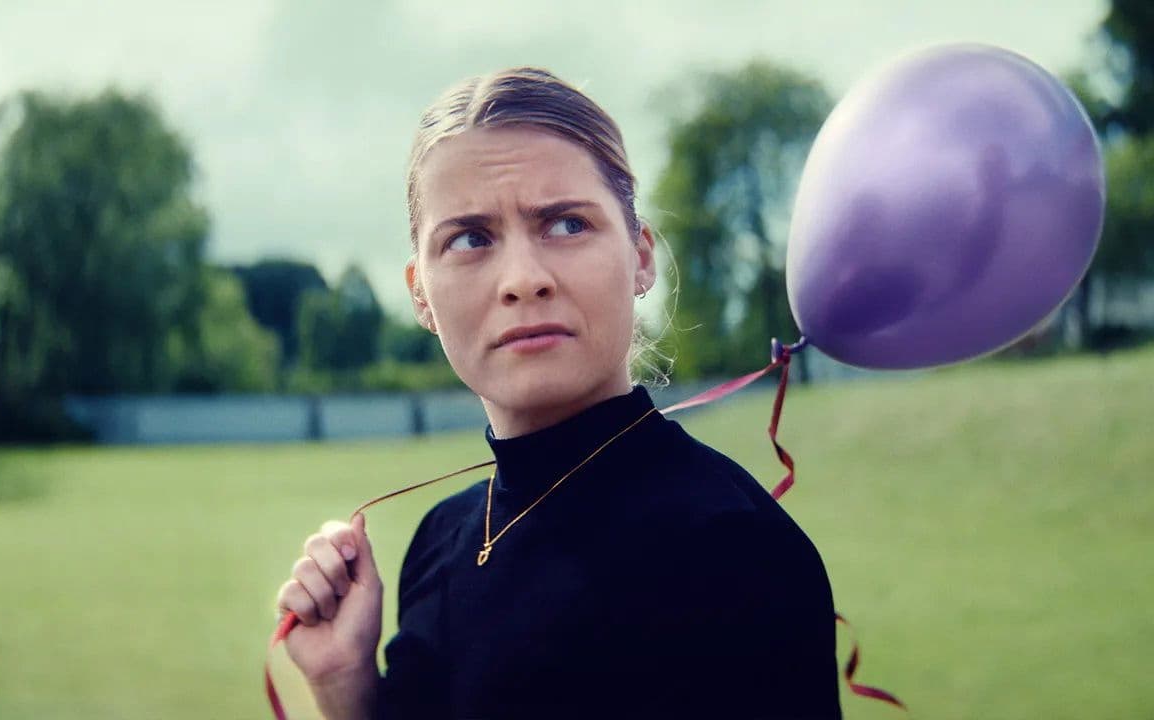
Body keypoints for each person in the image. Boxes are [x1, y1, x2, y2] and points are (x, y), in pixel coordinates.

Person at [274, 67, 842, 720]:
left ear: (640, 257)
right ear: (421, 294)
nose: (523, 279)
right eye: (470, 239)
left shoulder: (733, 549)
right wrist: (345, 686)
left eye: (566, 225)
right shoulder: (440, 541)